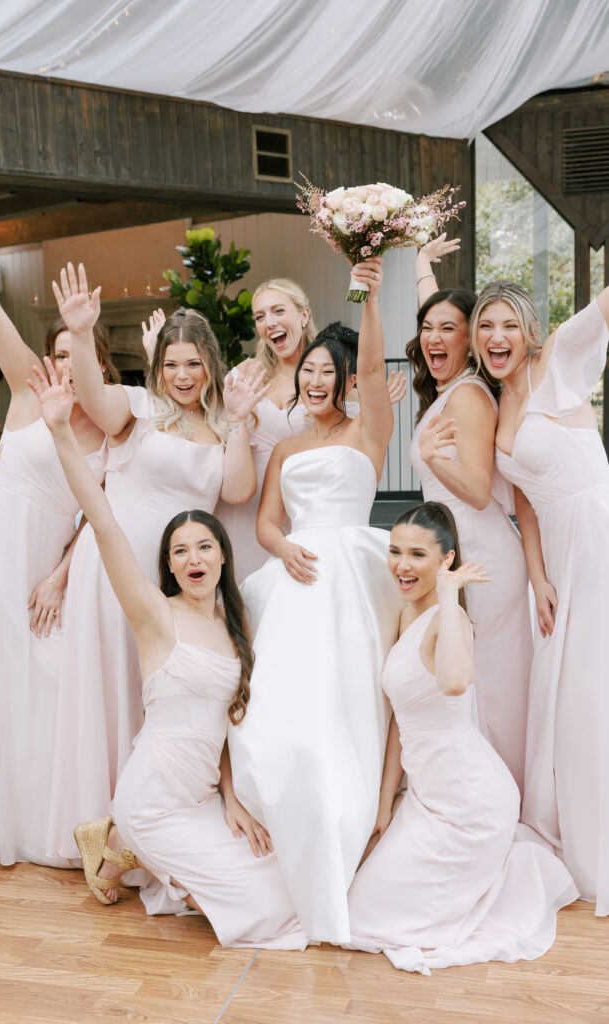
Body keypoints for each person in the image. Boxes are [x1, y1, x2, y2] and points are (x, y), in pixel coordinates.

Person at [29, 356, 307, 950]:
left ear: (224, 557)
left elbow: (230, 726)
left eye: (205, 545)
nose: (193, 558)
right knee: (268, 912)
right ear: (170, 566)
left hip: (203, 797)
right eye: (180, 551)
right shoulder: (154, 615)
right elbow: (102, 522)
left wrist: (233, 801)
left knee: (289, 876)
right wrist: (58, 430)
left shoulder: (238, 628)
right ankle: (127, 841)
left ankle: (116, 851)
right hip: (154, 799)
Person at [0, 165, 115, 871]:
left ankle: (45, 821)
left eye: (77, 353)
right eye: (58, 352)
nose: (64, 363)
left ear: (98, 357)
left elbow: (98, 518)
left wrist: (62, 577)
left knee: (42, 683)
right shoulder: (31, 391)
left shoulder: (111, 426)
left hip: (44, 564)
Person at [45, 264, 267, 861]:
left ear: (211, 365)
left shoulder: (222, 425)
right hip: (114, 562)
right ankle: (105, 824)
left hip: (178, 573)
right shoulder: (138, 409)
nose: (182, 375)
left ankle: (151, 819)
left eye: (193, 363)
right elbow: (91, 397)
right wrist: (82, 331)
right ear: (157, 367)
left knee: (162, 694)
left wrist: (241, 422)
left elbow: (240, 492)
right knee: (112, 683)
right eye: (172, 364)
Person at [228, 258, 402, 944]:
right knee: (283, 701)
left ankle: (355, 814)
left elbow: (367, 357)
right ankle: (284, 815)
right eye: (308, 374)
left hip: (353, 577)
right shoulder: (286, 447)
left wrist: (367, 296)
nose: (315, 381)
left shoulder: (368, 432)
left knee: (350, 699)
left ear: (346, 380)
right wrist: (283, 549)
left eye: (327, 372)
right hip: (297, 574)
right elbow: (267, 520)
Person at [347, 502, 577, 973]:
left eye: (417, 555)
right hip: (429, 799)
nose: (402, 566)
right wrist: (385, 801)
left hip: (471, 801)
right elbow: (398, 718)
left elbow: (454, 682)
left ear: (446, 560)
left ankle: (504, 875)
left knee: (368, 921)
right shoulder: (406, 615)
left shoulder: (451, 623)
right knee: (358, 906)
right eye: (395, 552)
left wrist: (450, 597)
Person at [472, 279, 609, 916]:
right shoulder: (496, 405)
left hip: (595, 535)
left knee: (591, 685)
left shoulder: (559, 362)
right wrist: (536, 576)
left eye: (507, 324)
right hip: (555, 551)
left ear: (528, 330)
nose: (496, 337)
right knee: (563, 688)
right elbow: (521, 500)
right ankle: (568, 821)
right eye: (485, 325)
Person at [404, 237, 533, 791]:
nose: (434, 337)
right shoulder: (450, 387)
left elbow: (479, 490)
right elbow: (442, 318)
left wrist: (432, 458)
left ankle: (501, 796)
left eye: (449, 329)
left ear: (472, 339)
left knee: (492, 688)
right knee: (473, 684)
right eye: (426, 328)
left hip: (483, 557)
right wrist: (419, 269)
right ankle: (479, 795)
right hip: (459, 555)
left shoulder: (468, 396)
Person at [217, 279, 406, 581]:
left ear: (304, 315)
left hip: (307, 515)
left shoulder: (341, 382)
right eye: (260, 316)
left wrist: (378, 401)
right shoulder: (244, 375)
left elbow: (369, 386)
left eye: (279, 310)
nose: (270, 322)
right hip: (250, 510)